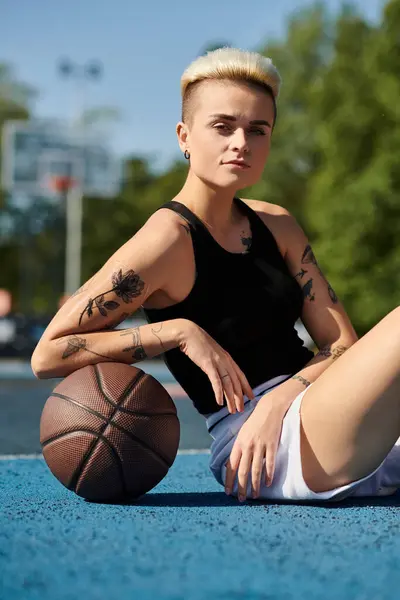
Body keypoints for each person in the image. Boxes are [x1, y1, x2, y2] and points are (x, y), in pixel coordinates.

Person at [31, 47, 400, 504]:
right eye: (223, 127)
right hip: (259, 446)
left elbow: (343, 344)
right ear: (184, 136)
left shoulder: (277, 225)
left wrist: (278, 400)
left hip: (323, 411)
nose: (241, 142)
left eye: (257, 130)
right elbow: (47, 355)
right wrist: (179, 331)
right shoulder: (165, 239)